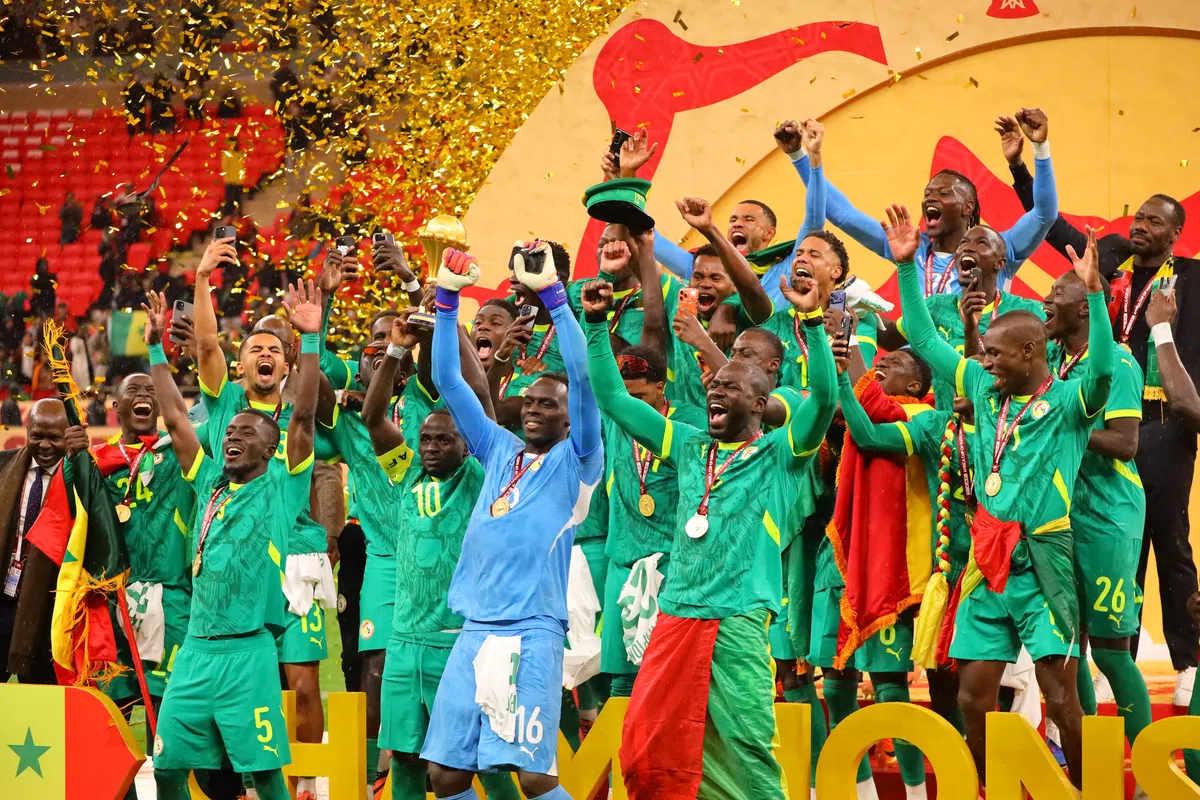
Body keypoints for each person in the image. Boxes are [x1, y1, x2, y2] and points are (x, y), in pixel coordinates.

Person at [587, 262, 836, 799]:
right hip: (676, 613)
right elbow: (614, 400)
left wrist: (814, 322)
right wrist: (595, 326)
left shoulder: (780, 452)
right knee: (649, 748)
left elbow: (822, 400)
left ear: (760, 404)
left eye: (731, 387)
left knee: (745, 748)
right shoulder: (689, 444)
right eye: (715, 386)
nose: (716, 392)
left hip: (738, 618)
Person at [888, 204, 1112, 789]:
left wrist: (1095, 298)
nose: (983, 362)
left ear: (1030, 353)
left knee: (1062, 697)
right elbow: (923, 338)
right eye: (983, 354)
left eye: (994, 354)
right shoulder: (985, 393)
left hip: (1043, 560)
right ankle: (991, 787)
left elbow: (1101, 374)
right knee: (971, 697)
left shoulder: (1068, 403)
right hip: (987, 562)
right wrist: (907, 267)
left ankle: (1086, 791)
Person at [422, 244, 602, 800]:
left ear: (570, 419)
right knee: (445, 776)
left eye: (548, 405)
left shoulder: (578, 462)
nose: (532, 408)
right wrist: (446, 299)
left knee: (534, 778)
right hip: (476, 628)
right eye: (529, 401)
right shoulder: (498, 448)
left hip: (533, 629)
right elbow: (449, 379)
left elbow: (583, 376)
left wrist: (555, 298)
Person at [1010, 181, 1200, 701]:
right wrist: (1022, 170)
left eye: (1154, 221)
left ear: (1175, 234)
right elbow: (1058, 231)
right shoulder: (1111, 270)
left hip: (1165, 424)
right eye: (1138, 217)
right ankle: (1118, 655)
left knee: (1170, 542)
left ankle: (1188, 661)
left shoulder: (1191, 278)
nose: (1141, 226)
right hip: (1109, 412)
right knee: (1121, 551)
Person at [145, 283, 322, 800]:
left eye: (246, 433)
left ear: (272, 448)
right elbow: (176, 419)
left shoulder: (283, 485)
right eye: (229, 433)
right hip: (195, 653)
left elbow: (305, 416)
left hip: (248, 654)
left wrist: (311, 341)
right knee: (168, 769)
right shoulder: (208, 481)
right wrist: (155, 348)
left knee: (264, 777)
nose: (232, 437)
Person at [192, 237, 336, 800]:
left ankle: (305, 784)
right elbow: (206, 342)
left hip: (293, 561)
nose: (264, 355)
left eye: (275, 348)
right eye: (254, 348)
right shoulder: (224, 405)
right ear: (242, 362)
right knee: (241, 681)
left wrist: (312, 336)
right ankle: (249, 782)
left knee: (302, 683)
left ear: (285, 363)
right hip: (235, 564)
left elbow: (309, 405)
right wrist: (202, 280)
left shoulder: (296, 418)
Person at [359, 313, 519, 800]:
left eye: (443, 439)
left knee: (478, 761)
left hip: (458, 641)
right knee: (405, 757)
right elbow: (373, 419)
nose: (430, 447)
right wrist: (395, 350)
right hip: (405, 640)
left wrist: (451, 330)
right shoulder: (407, 472)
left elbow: (483, 399)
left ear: (467, 445)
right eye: (426, 438)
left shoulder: (480, 478)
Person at [1043, 267, 1153, 760]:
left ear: (1084, 308)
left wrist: (1057, 426)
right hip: (1059, 518)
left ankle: (1152, 766)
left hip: (1109, 516)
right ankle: (1087, 763)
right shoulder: (1050, 357)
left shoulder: (1120, 363)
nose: (1046, 301)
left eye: (1056, 293)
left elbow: (1126, 443)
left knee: (1110, 650)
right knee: (1071, 649)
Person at [787, 109, 1058, 295]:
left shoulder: (997, 249)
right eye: (927, 193)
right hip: (916, 361)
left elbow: (1045, 214)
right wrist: (803, 156)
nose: (930, 198)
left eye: (944, 193)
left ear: (968, 207)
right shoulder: (909, 248)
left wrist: (1040, 148)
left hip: (976, 360)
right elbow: (843, 214)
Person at [90, 372, 196, 726]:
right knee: (112, 712)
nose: (144, 395)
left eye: (152, 390)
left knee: (166, 708)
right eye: (133, 390)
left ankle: (162, 765)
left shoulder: (179, 452)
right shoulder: (97, 461)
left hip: (171, 598)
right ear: (116, 406)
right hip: (112, 597)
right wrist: (73, 458)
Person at [639, 121, 827, 310]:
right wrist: (627, 175)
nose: (737, 224)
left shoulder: (785, 271)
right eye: (733, 220)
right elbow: (651, 238)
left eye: (749, 219)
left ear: (769, 233)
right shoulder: (704, 268)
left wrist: (805, 156)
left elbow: (814, 221)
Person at [877, 223, 1045, 407]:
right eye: (963, 243)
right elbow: (893, 337)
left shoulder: (1028, 312)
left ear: (1000, 263)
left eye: (981, 243)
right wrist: (862, 312)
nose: (968, 248)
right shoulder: (936, 306)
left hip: (1006, 420)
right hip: (947, 422)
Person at [0, 399, 90, 683]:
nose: (45, 445)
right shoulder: (3, 466)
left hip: (48, 607)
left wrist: (82, 463)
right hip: (4, 597)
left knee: (42, 694)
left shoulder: (83, 478)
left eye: (54, 438)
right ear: (27, 431)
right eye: (37, 436)